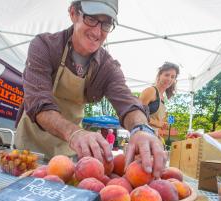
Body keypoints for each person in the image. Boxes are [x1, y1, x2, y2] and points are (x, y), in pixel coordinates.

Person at [15, 0, 166, 178]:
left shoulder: (108, 67)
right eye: (91, 19)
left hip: (68, 151)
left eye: (106, 23)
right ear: (73, 13)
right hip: (29, 149)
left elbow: (128, 103)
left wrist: (140, 128)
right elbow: (39, 102)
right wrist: (74, 133)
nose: (97, 31)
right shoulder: (45, 46)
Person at [139, 62, 180, 136]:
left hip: (153, 137)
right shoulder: (151, 91)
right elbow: (138, 115)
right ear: (159, 75)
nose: (169, 79)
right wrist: (158, 123)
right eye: (167, 75)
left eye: (172, 77)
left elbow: (154, 121)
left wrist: (161, 125)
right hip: (142, 137)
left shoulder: (162, 98)